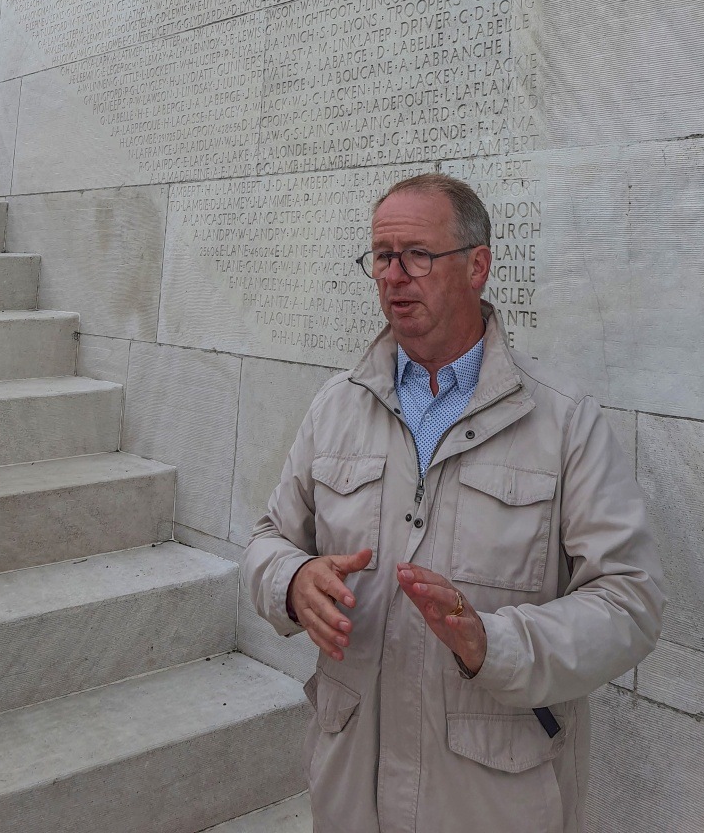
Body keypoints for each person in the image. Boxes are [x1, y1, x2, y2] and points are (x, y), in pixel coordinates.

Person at [242, 172, 665, 833]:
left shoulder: (562, 419)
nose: (394, 276)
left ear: (477, 267)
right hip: (351, 787)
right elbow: (269, 536)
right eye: (382, 256)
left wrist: (494, 643)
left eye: (417, 255)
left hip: (492, 798)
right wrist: (293, 582)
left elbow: (630, 601)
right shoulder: (336, 405)